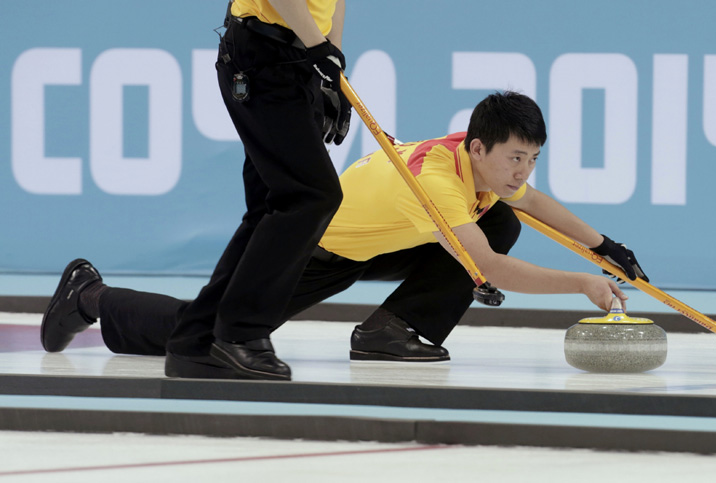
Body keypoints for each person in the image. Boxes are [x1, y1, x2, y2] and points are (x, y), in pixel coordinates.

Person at [40, 92, 648, 380]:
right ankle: (89, 296)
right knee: (201, 332)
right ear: (480, 147)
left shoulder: (483, 167)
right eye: (517, 157)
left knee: (504, 217)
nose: (523, 172)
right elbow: (487, 268)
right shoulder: (439, 180)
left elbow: (532, 202)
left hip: (379, 240)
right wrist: (582, 282)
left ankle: (394, 331)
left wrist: (603, 244)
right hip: (319, 248)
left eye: (533, 159)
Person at [39, 0, 352, 381]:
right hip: (266, 53)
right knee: (311, 194)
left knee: (273, 206)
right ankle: (238, 335)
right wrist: (319, 49)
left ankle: (197, 341)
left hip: (298, 58)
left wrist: (328, 65)